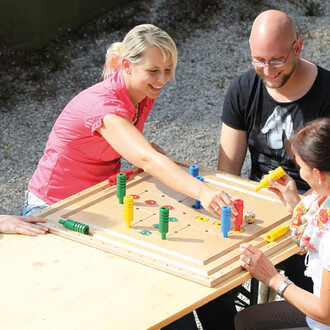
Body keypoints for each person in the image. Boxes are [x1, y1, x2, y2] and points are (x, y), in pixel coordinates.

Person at [24, 24, 236, 221]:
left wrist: (138, 147)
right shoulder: (104, 106)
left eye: (168, 69)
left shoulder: (141, 93)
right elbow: (147, 160)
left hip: (93, 201)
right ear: (127, 65)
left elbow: (134, 150)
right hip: (51, 206)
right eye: (153, 71)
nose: (162, 79)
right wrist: (203, 192)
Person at [217, 9, 330, 294]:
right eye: (259, 61)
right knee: (217, 288)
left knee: (309, 291)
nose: (268, 71)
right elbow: (226, 171)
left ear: (298, 47)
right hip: (260, 207)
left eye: (277, 60)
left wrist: (299, 208)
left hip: (314, 212)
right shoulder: (243, 88)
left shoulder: (327, 92)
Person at [235, 117, 330, 329]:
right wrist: (296, 205)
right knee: (247, 320)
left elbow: (325, 313)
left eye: (300, 165)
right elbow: (319, 224)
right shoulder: (324, 201)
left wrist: (273, 278)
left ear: (317, 175)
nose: (300, 173)